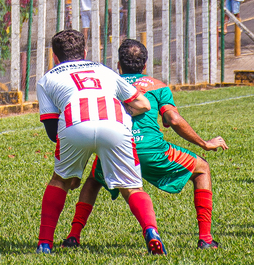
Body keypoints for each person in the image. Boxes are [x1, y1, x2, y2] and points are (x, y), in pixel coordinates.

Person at [61, 38, 228, 250]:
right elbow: (173, 119)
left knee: (94, 179)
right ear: (145, 65)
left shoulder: (106, 83)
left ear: (119, 65)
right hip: (151, 150)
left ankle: (73, 236)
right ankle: (205, 238)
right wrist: (204, 143)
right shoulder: (158, 86)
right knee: (202, 168)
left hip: (116, 147)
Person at [34, 29, 167, 255]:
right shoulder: (104, 70)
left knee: (59, 181)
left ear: (55, 56)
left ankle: (44, 243)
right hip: (115, 125)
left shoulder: (47, 79)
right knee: (132, 187)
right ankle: (151, 231)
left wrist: (72, 169)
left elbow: (51, 130)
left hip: (75, 125)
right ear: (85, 52)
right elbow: (143, 104)